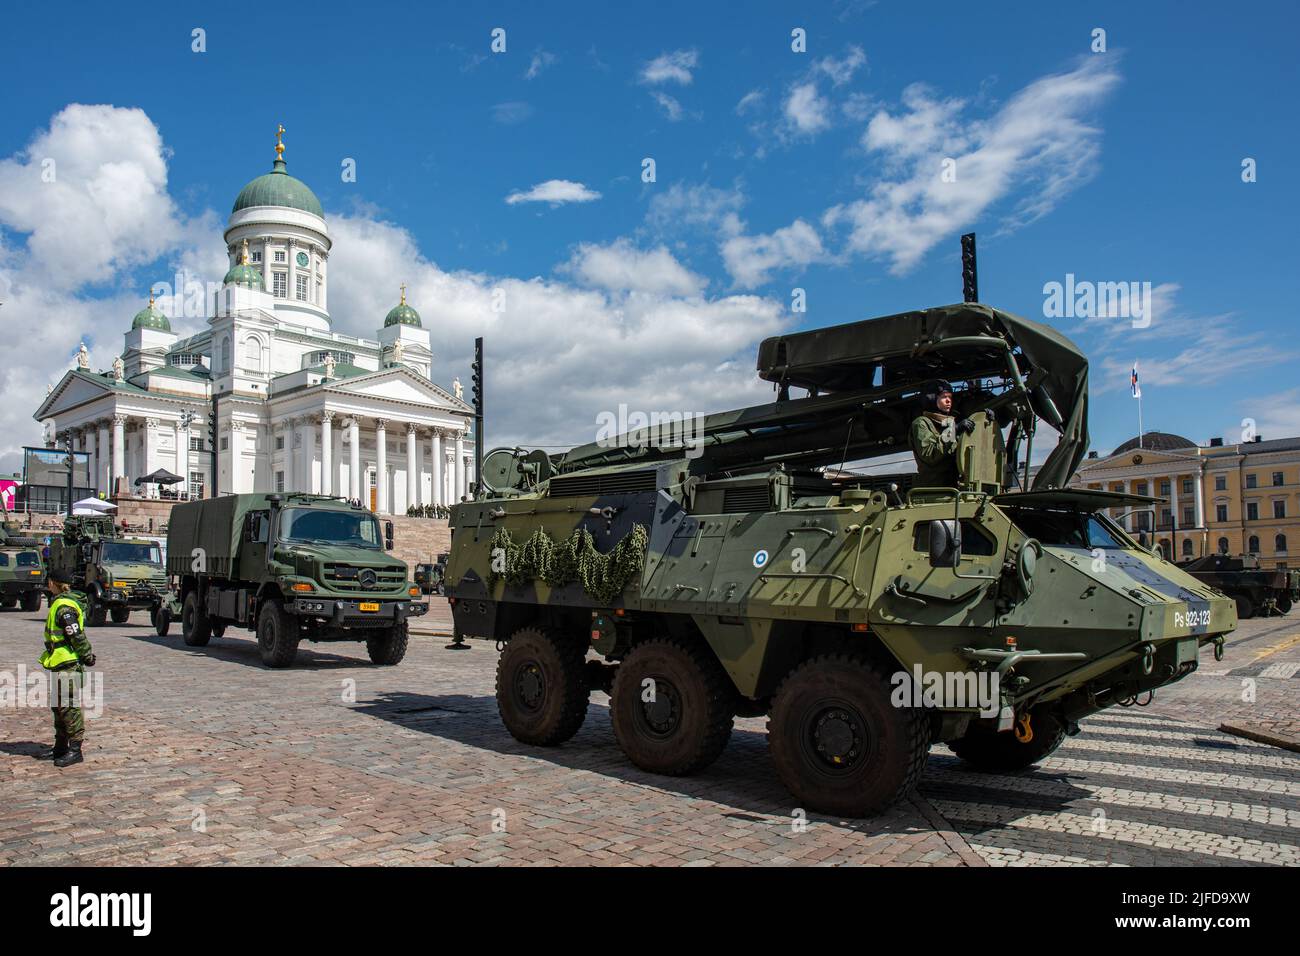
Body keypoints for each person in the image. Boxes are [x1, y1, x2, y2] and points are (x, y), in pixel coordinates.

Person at [38, 568, 95, 768]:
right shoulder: (59, 602)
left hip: (68, 664)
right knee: (59, 705)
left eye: (49, 581)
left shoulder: (64, 607)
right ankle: (60, 746)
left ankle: (75, 749)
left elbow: (76, 635)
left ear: (54, 583)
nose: (48, 584)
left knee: (68, 706)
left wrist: (87, 655)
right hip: (59, 662)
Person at [909, 380, 975, 489]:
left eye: (950, 397)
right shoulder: (921, 423)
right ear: (932, 398)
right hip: (933, 490)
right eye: (944, 397)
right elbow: (929, 453)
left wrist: (984, 417)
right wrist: (954, 431)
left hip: (953, 487)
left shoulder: (949, 424)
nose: (949, 401)